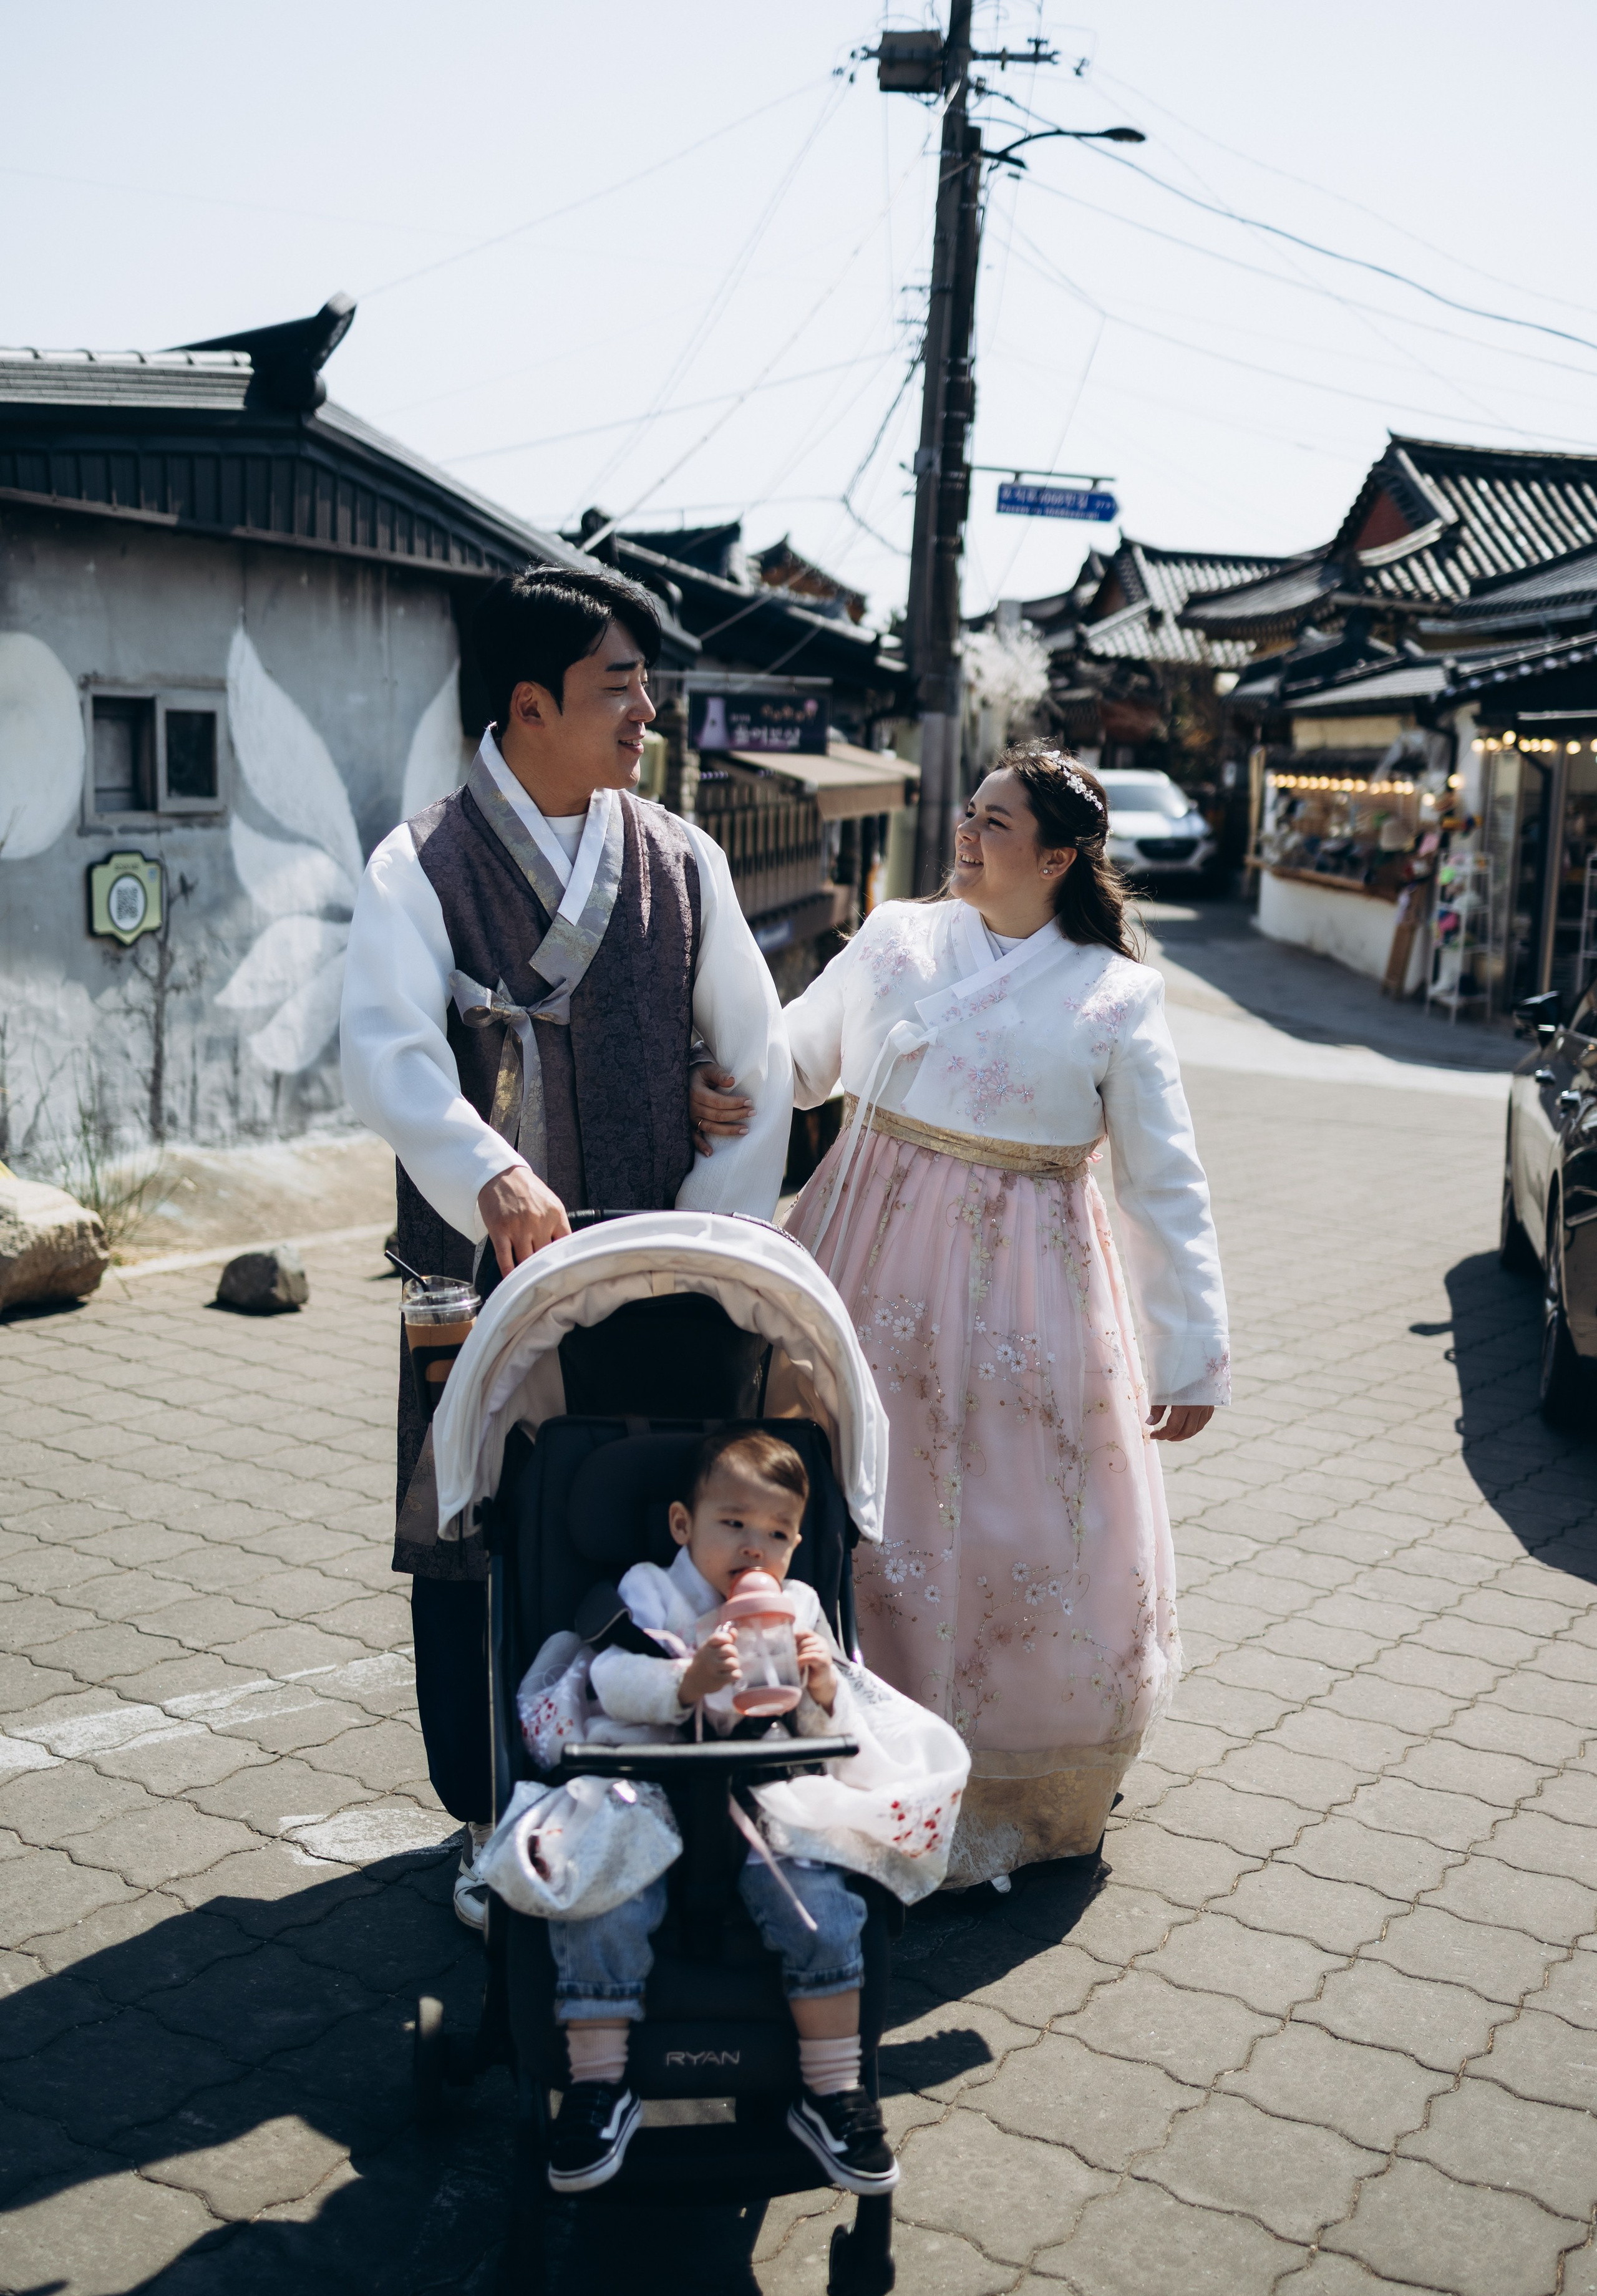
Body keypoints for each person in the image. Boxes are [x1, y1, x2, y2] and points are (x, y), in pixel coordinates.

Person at [692, 743, 1228, 1889]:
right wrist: (724, 1080)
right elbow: (796, 1058)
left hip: (1032, 1282)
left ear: (1059, 859)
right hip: (865, 1247)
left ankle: (1002, 1784)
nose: (967, 836)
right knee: (855, 1494)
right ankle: (815, 1744)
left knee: (1017, 1517)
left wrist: (1189, 1353)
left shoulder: (1117, 994)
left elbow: (1163, 1182)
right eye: (970, 813)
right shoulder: (897, 938)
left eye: (996, 823)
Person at [340, 567, 792, 1929]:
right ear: (529, 705)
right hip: (482, 1280)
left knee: (658, 1528)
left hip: (664, 1280)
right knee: (486, 1533)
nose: (648, 713)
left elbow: (754, 1058)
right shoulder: (421, 863)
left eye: (647, 685)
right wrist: (492, 1174)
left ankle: (674, 1810)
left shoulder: (681, 858)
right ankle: (497, 1815)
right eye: (620, 687)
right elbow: (388, 1057)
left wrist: (708, 1226)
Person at [535, 1427, 964, 2196]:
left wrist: (822, 1689)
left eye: (775, 1534)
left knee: (822, 1912)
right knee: (600, 1898)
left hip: (766, 1789)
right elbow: (609, 1678)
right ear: (683, 1524)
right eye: (732, 1523)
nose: (752, 1548)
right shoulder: (650, 1591)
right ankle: (599, 2088)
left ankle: (832, 2091)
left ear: (797, 1544)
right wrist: (684, 1682)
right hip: (649, 1782)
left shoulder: (798, 1605)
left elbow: (825, 1729)